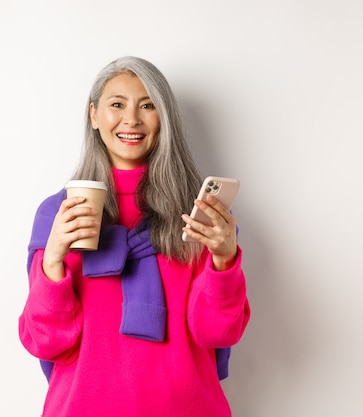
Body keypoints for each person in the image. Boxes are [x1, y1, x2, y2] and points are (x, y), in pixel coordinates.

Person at [18, 56, 250, 417]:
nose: (132, 119)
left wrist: (223, 260)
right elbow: (46, 341)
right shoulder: (59, 213)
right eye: (116, 105)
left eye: (148, 105)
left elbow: (216, 333)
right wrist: (53, 259)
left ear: (165, 119)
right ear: (94, 116)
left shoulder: (200, 214)